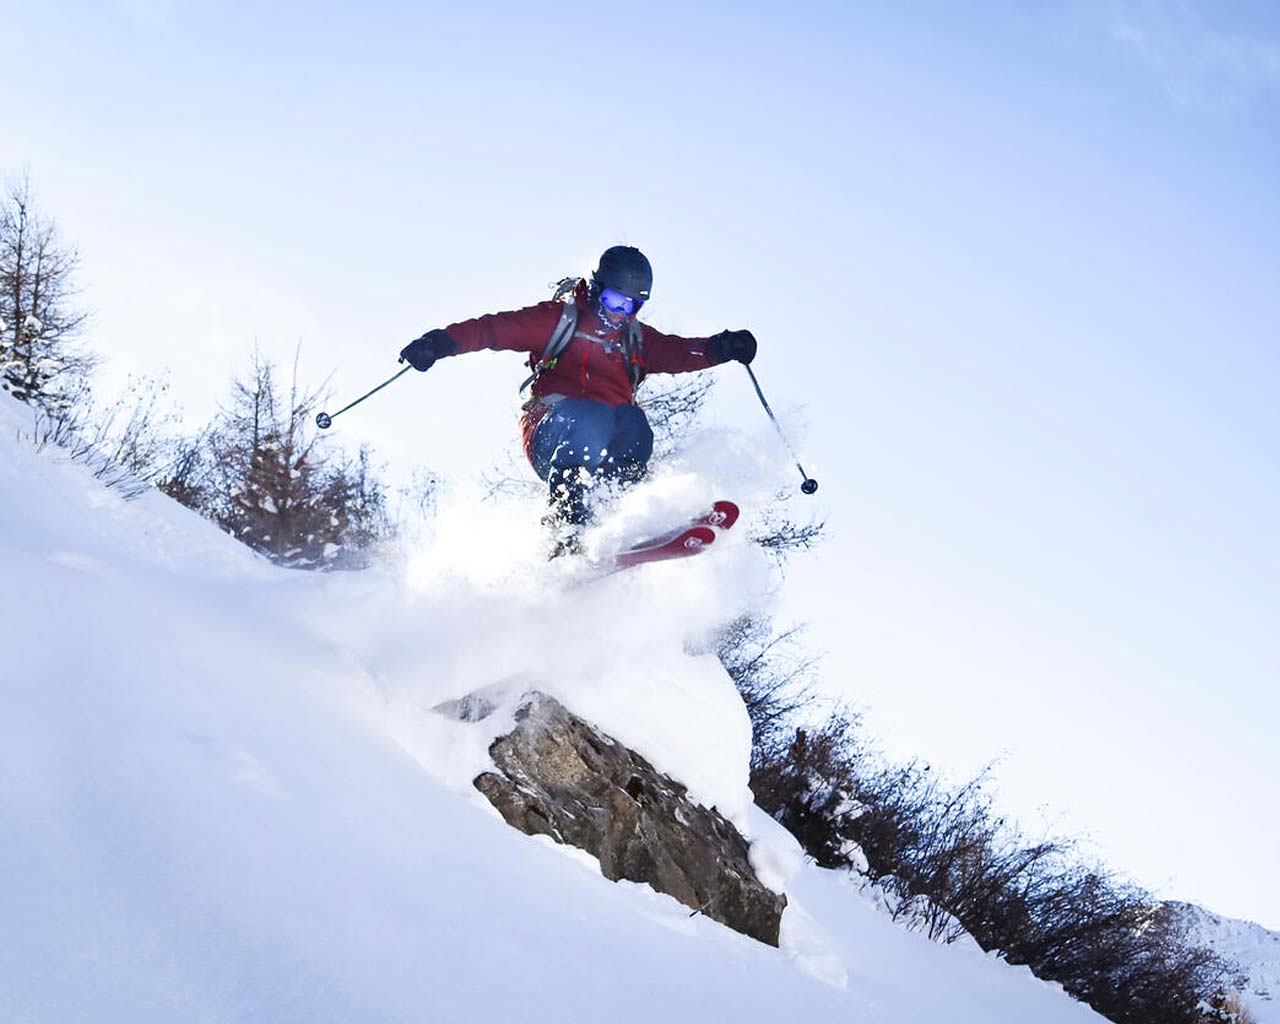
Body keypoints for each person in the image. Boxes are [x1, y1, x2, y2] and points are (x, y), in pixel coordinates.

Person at [399, 245, 757, 554]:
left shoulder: (634, 339)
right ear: (596, 287)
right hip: (552, 431)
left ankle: (614, 516)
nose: (620, 313)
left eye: (632, 306)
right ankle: (565, 528)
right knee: (593, 418)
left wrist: (720, 347)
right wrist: (440, 343)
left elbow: (680, 352)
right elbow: (492, 329)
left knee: (635, 426)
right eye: (614, 300)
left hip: (606, 437)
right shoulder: (557, 320)